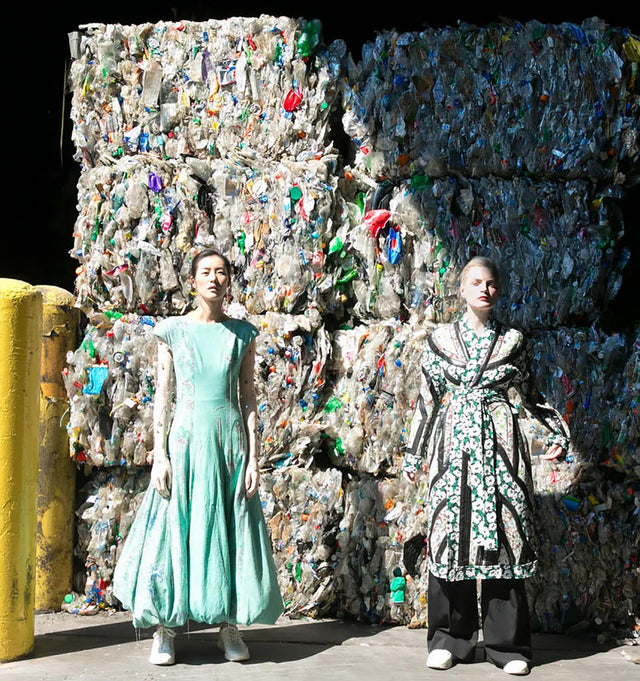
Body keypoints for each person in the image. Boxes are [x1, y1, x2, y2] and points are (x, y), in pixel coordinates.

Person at [113, 247, 284, 666]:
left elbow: (248, 401)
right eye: (205, 272)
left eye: (221, 272)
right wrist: (160, 456)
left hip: (228, 446)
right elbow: (164, 397)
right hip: (186, 445)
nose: (214, 279)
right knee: (174, 529)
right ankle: (165, 630)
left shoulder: (242, 334)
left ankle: (229, 626)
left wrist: (253, 458)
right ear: (193, 281)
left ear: (229, 281)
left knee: (230, 531)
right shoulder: (172, 330)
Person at [402, 256, 569, 676]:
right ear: (461, 289)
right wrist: (414, 452)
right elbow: (428, 399)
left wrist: (557, 433)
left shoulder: (513, 340)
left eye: (491, 283)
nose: (484, 290)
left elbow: (529, 393)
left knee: (505, 535)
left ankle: (506, 644)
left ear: (499, 290)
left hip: (500, 448)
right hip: (452, 447)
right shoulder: (439, 340)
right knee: (449, 536)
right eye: (475, 282)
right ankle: (449, 640)